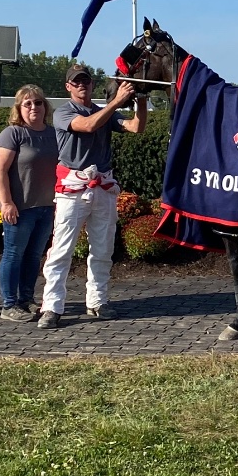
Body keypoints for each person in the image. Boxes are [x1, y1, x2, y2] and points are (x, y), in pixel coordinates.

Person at [37, 65, 147, 329]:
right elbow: (87, 126)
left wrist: (140, 99)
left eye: (85, 80)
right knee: (61, 250)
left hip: (103, 186)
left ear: (92, 83)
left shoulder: (103, 111)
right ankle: (52, 306)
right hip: (73, 188)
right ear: (68, 87)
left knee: (103, 249)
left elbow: (136, 127)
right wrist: (117, 101)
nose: (81, 84)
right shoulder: (64, 112)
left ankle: (97, 301)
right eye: (76, 82)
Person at [0, 85, 59, 322]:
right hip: (20, 208)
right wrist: (6, 202)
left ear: (45, 106)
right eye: (27, 103)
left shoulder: (53, 133)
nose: (33, 107)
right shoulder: (13, 134)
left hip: (46, 207)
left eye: (38, 102)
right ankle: (8, 304)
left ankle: (26, 300)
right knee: (13, 254)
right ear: (19, 108)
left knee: (33, 256)